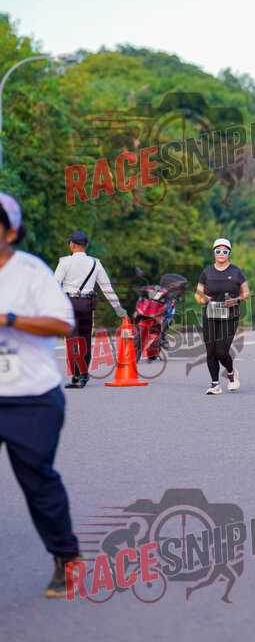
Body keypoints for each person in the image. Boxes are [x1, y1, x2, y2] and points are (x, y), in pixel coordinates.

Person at [0, 193, 81, 597]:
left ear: (10, 231)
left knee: (37, 482)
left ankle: (66, 557)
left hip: (30, 398)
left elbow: (64, 323)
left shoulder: (30, 271)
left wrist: (9, 319)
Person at [54, 232, 127, 388]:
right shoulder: (95, 263)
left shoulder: (64, 262)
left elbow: (55, 285)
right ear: (86, 246)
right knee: (85, 339)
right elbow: (106, 287)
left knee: (72, 340)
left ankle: (77, 374)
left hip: (69, 304)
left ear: (72, 245)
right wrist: (117, 307)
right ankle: (83, 375)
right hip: (87, 304)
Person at [196, 239, 249, 394]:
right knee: (210, 350)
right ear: (213, 253)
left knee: (221, 351)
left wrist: (237, 300)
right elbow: (198, 293)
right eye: (218, 251)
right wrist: (202, 298)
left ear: (229, 253)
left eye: (224, 251)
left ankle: (231, 373)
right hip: (210, 315)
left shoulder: (236, 272)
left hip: (230, 316)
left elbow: (246, 292)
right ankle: (215, 384)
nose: (221, 254)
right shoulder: (206, 272)